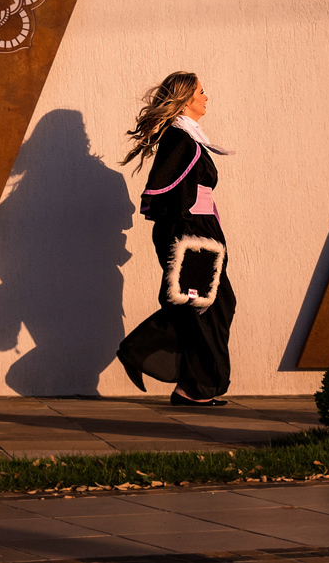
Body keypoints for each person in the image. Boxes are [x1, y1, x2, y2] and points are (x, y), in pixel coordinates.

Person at [117, 71, 236, 406]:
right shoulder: (180, 139)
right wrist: (188, 231)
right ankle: (151, 359)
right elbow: (161, 188)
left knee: (212, 304)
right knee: (201, 306)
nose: (206, 97)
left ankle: (191, 384)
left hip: (202, 231)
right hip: (191, 234)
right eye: (201, 91)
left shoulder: (189, 137)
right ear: (185, 99)